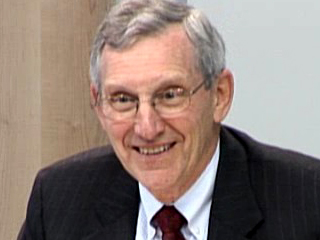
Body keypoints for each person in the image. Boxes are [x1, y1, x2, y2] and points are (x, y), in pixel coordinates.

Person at [18, 0, 320, 239]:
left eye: (170, 95)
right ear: (98, 104)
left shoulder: (308, 204)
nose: (147, 128)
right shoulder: (59, 201)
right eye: (124, 100)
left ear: (220, 95)